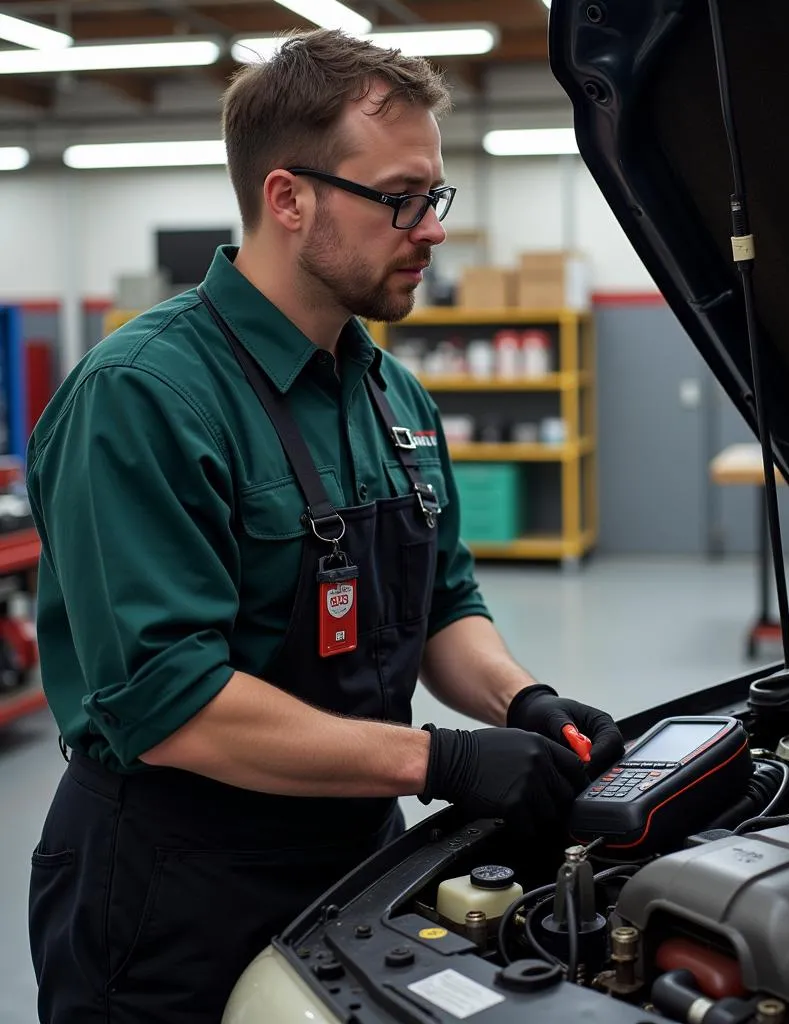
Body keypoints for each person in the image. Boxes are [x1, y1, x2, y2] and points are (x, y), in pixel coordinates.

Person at [26, 29, 623, 1024]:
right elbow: (172, 704)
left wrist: (524, 700)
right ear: (288, 198)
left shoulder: (395, 396)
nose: (430, 228)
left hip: (357, 862)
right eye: (400, 197)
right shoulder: (143, 396)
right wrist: (439, 761)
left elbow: (443, 604)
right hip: (174, 887)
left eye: (434, 196)